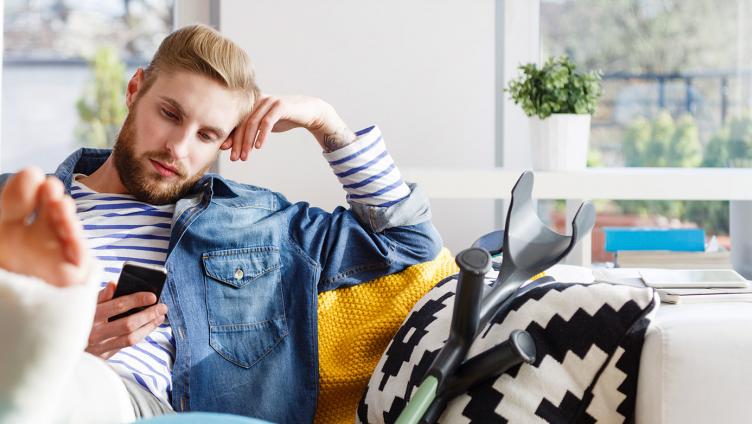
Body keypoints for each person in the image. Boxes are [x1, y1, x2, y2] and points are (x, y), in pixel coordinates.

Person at [0, 24, 441, 423]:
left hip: (137, 406)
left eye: (207, 135)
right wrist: (65, 342)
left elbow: (407, 240)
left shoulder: (260, 224)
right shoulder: (17, 203)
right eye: (170, 114)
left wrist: (325, 122)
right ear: (135, 89)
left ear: (225, 143)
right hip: (31, 381)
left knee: (71, 385)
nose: (178, 147)